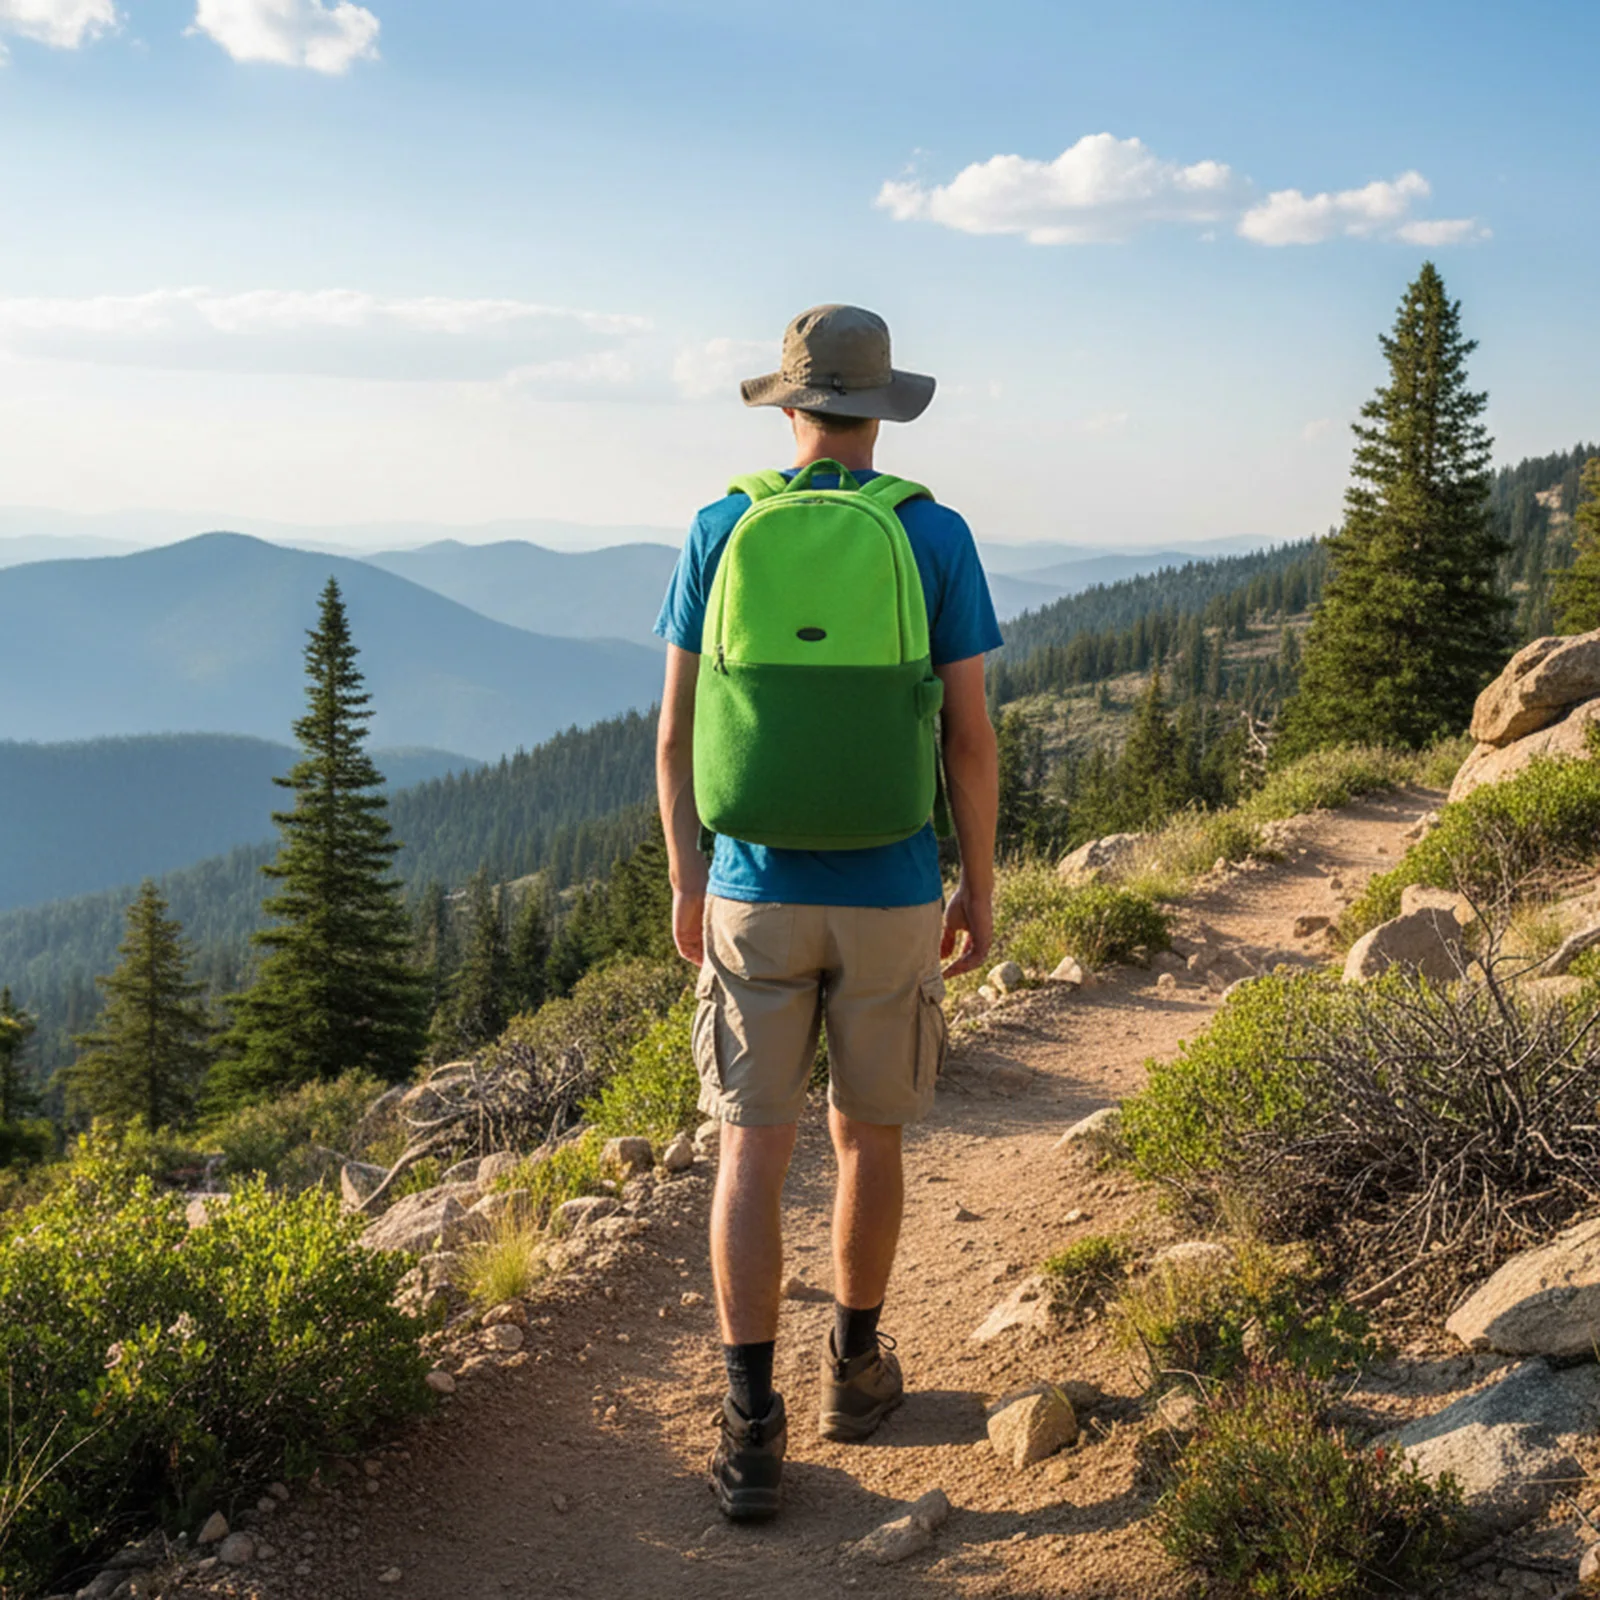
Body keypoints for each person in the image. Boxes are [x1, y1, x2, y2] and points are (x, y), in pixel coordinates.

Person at [653, 303, 1001, 1519]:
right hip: (893, 888)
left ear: (790, 406)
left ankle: (750, 1427)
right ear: (881, 410)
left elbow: (673, 732)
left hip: (753, 885)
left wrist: (690, 876)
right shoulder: (934, 535)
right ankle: (856, 1371)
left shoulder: (722, 524)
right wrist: (979, 882)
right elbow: (967, 741)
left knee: (752, 1146)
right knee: (870, 1135)